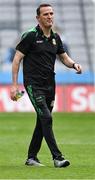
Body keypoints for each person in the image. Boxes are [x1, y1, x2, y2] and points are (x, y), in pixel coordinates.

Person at [10, 4, 82, 168]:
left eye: (51, 13)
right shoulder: (30, 36)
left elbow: (63, 57)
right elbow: (16, 60)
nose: (50, 16)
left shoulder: (56, 37)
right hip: (34, 85)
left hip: (50, 84)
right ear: (38, 18)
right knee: (47, 118)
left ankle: (31, 158)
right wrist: (14, 86)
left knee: (42, 121)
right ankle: (57, 158)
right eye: (46, 14)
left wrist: (74, 65)